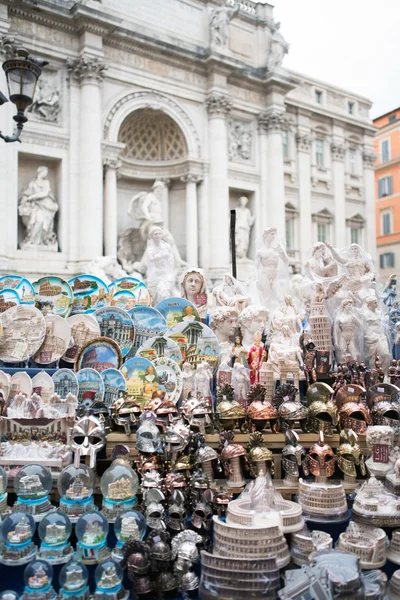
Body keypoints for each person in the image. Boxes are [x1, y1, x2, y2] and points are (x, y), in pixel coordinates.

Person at [18, 166, 59, 248]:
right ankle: (32, 240)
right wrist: (25, 200)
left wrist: (32, 197)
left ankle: (38, 241)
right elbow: (25, 194)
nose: (46, 174)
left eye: (47, 173)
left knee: (41, 222)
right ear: (40, 172)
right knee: (36, 222)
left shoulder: (46, 182)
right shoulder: (32, 183)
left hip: (45, 205)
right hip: (35, 206)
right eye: (45, 172)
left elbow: (45, 193)